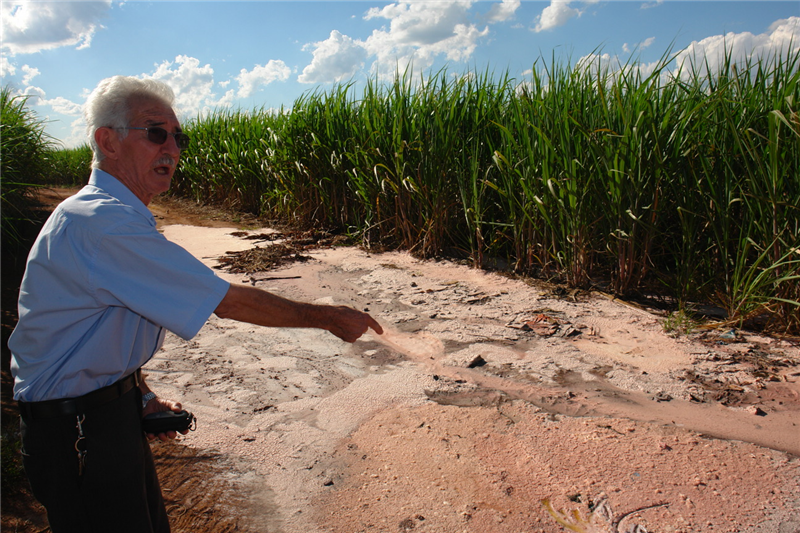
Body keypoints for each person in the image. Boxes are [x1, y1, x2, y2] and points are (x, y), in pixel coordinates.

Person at [7, 75, 383, 533]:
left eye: (178, 137)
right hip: (79, 433)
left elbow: (107, 330)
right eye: (155, 133)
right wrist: (326, 318)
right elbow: (223, 301)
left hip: (107, 417)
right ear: (108, 141)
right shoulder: (100, 222)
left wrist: (140, 397)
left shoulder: (115, 216)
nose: (172, 148)